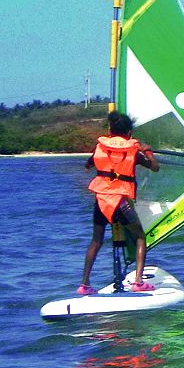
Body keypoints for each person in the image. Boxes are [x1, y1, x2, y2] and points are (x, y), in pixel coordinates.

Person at [79, 112, 159, 294]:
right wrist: (148, 152)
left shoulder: (99, 148)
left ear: (110, 130)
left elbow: (88, 165)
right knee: (140, 237)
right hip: (120, 202)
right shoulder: (134, 152)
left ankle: (84, 284)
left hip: (101, 201)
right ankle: (138, 282)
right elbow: (155, 167)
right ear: (129, 133)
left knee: (96, 241)